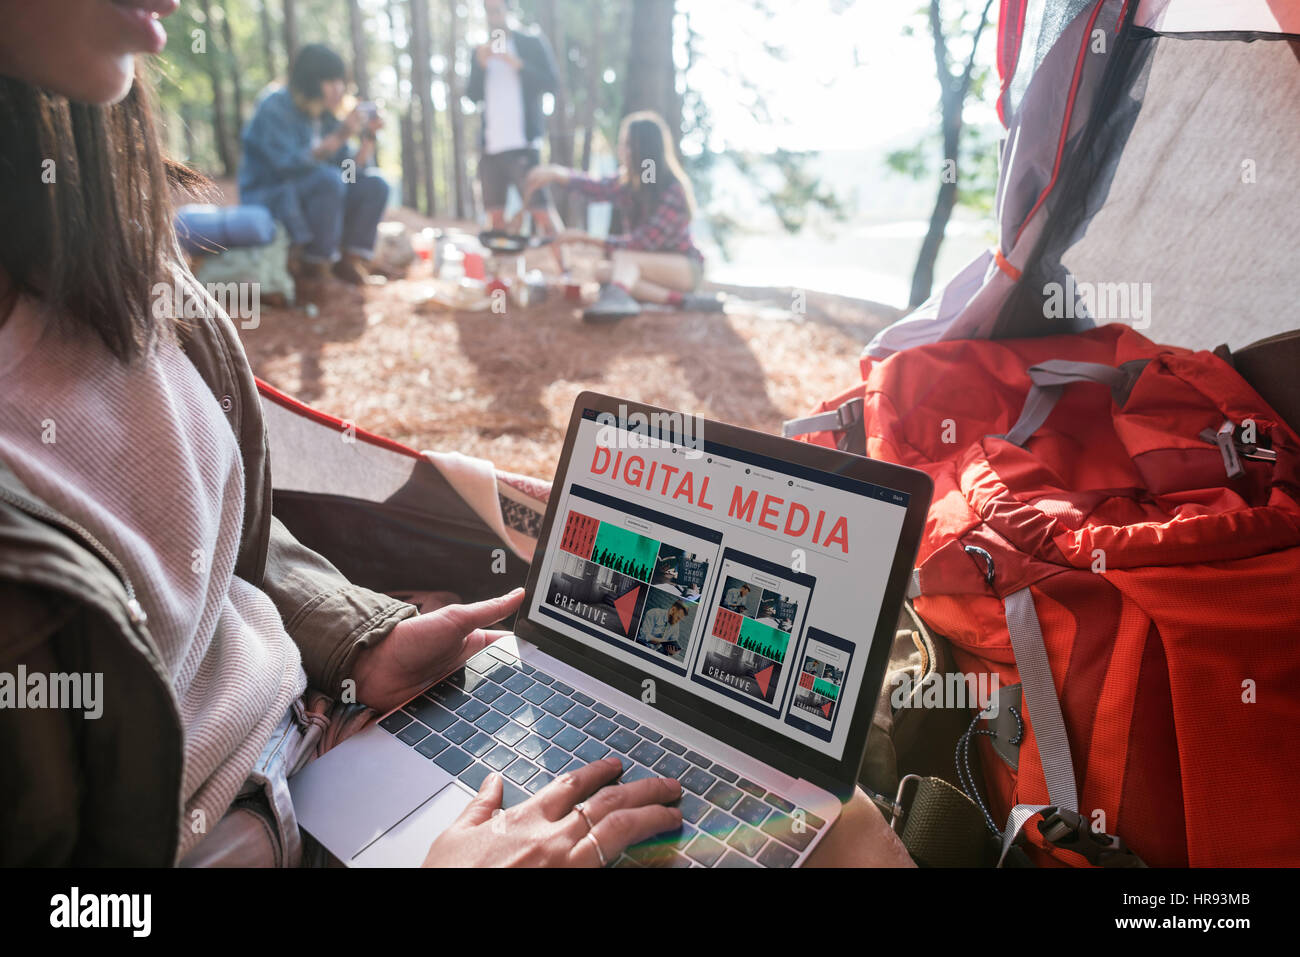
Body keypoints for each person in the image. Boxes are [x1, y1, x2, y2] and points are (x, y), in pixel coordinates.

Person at [0, 0, 911, 870]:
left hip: (329, 734)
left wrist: (360, 647)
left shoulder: (119, 269)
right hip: (276, 830)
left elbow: (215, 547)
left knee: (825, 810)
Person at [522, 110, 723, 322]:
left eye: (627, 145)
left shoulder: (672, 191)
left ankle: (617, 298)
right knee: (603, 272)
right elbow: (596, 187)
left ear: (643, 150)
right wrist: (556, 173)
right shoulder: (630, 184)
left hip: (684, 269)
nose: (621, 150)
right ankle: (680, 301)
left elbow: (640, 243)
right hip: (644, 267)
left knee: (623, 259)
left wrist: (584, 238)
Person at [239, 44, 390, 287]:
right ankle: (316, 266)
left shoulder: (326, 115)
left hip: (317, 191)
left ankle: (348, 262)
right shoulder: (275, 107)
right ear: (309, 82)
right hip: (273, 196)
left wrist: (368, 138)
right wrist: (341, 135)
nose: (338, 89)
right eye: (330, 81)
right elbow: (286, 165)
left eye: (341, 81)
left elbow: (350, 172)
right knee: (328, 180)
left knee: (375, 184)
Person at [466, 0, 560, 235]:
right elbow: (471, 96)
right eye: (489, 11)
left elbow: (551, 82)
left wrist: (515, 62)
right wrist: (481, 65)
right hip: (491, 147)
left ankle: (565, 269)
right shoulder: (480, 50)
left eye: (498, 10)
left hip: (523, 145)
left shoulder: (530, 43)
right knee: (495, 219)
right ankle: (500, 270)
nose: (493, 16)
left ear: (509, 10)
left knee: (541, 211)